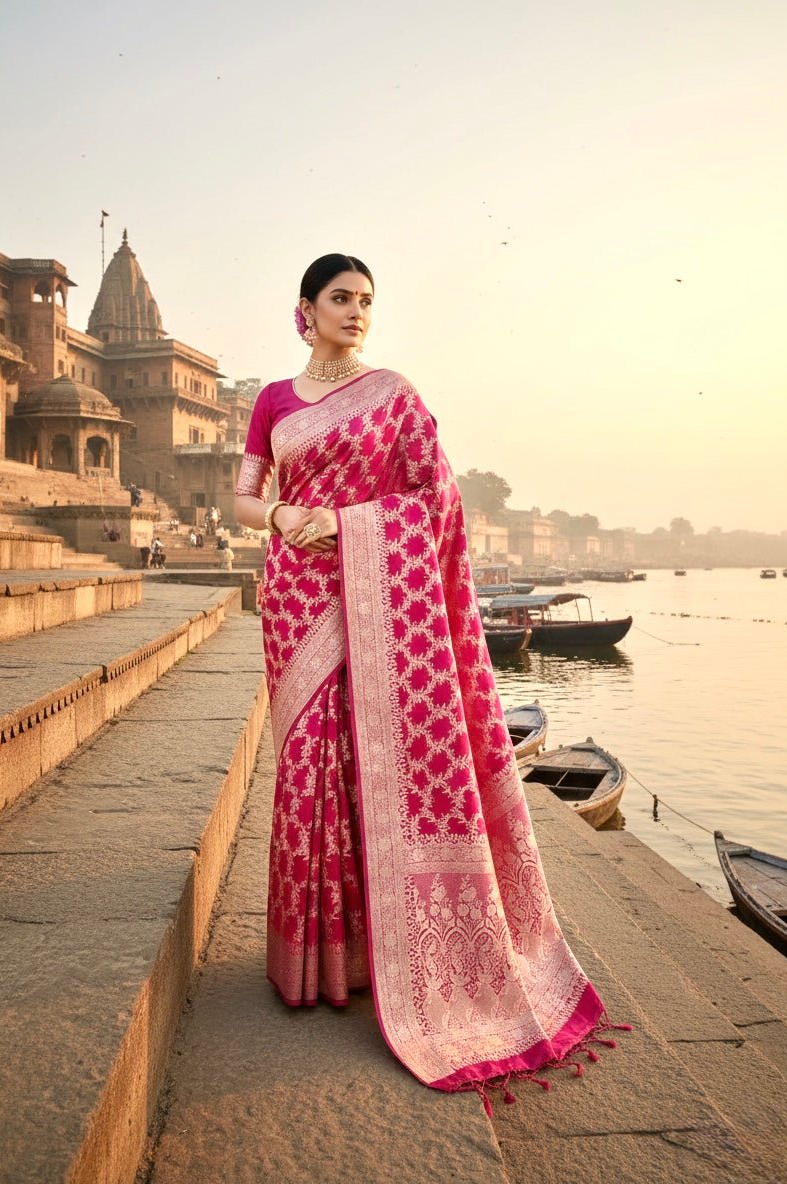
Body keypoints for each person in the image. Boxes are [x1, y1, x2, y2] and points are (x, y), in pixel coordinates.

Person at [234, 253, 624, 1108]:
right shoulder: (273, 401)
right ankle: (316, 962)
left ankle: (386, 955)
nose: (356, 311)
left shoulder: (395, 395)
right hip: (297, 600)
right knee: (310, 767)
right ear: (304, 309)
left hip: (373, 593)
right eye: (341, 298)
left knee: (374, 767)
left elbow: (438, 500)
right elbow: (243, 497)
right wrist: (280, 515)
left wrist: (341, 520)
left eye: (367, 301)